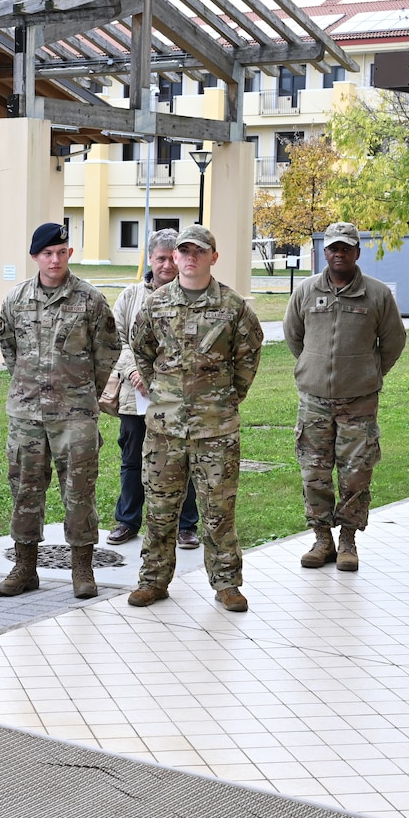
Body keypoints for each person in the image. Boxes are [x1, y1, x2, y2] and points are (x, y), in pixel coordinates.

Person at [126, 224, 263, 613]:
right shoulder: (155, 303)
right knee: (160, 508)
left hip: (215, 427)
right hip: (165, 429)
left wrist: (226, 397)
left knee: (219, 510)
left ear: (213, 257)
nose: (189, 258)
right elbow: (142, 351)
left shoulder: (233, 307)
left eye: (198, 252)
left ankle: (227, 585)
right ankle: (153, 581)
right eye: (183, 252)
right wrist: (162, 393)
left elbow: (248, 357)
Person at [0, 221, 118, 599]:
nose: (54, 259)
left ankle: (82, 568)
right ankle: (25, 566)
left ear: (69, 254)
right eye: (47, 253)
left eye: (61, 252)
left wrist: (82, 392)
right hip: (27, 415)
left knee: (79, 492)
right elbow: (8, 347)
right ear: (35, 257)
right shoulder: (16, 300)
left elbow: (107, 352)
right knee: (25, 492)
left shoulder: (90, 300)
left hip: (75, 415)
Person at [283, 222, 407, 573]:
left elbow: (394, 342)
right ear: (325, 252)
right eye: (333, 248)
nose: (339, 254)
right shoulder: (306, 291)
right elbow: (295, 337)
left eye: (346, 248)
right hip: (314, 401)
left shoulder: (377, 295)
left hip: (359, 402)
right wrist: (313, 367)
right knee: (314, 473)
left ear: (357, 252)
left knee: (356, 474)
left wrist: (369, 373)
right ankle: (322, 539)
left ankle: (348, 540)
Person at [106, 230, 200, 551]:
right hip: (137, 397)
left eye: (170, 258)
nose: (165, 265)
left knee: (181, 457)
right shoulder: (131, 296)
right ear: (150, 259)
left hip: (178, 397)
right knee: (132, 457)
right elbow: (115, 339)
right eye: (159, 258)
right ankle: (127, 520)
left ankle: (186, 526)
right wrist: (133, 370)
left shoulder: (192, 296)